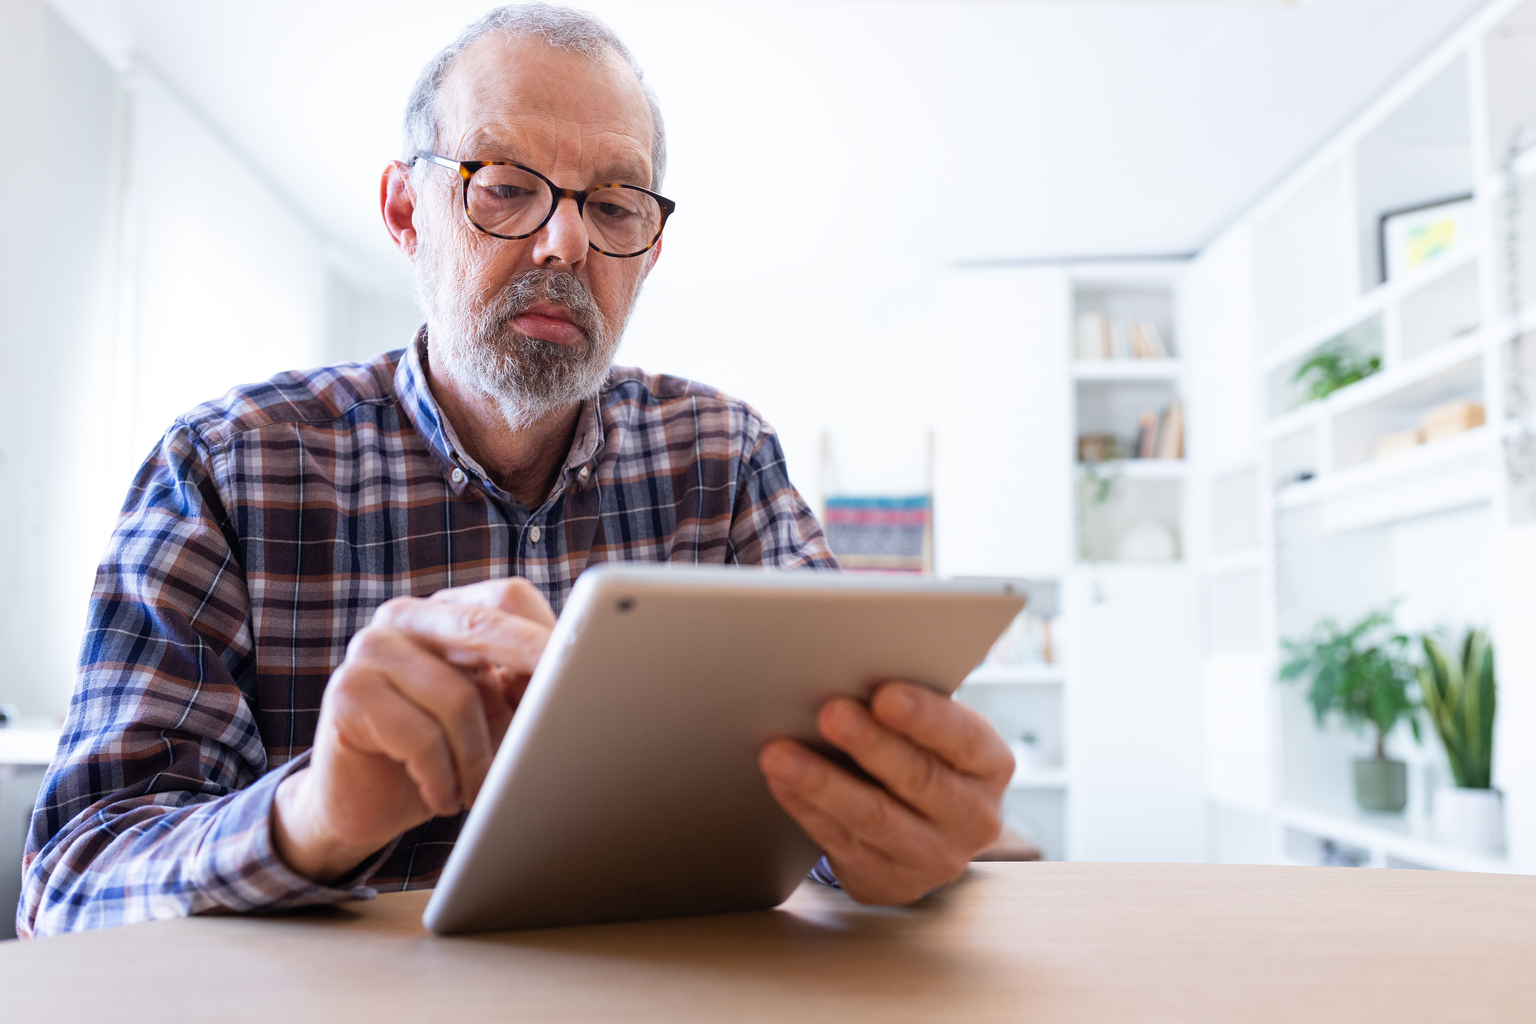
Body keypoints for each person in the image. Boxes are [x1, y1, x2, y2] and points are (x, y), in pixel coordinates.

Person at [19, 4, 1013, 938]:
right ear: (407, 211)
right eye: (504, 187)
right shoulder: (227, 466)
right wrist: (312, 816)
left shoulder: (726, 457)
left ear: (650, 248)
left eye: (616, 204)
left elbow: (832, 800)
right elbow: (67, 884)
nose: (566, 241)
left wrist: (897, 833)